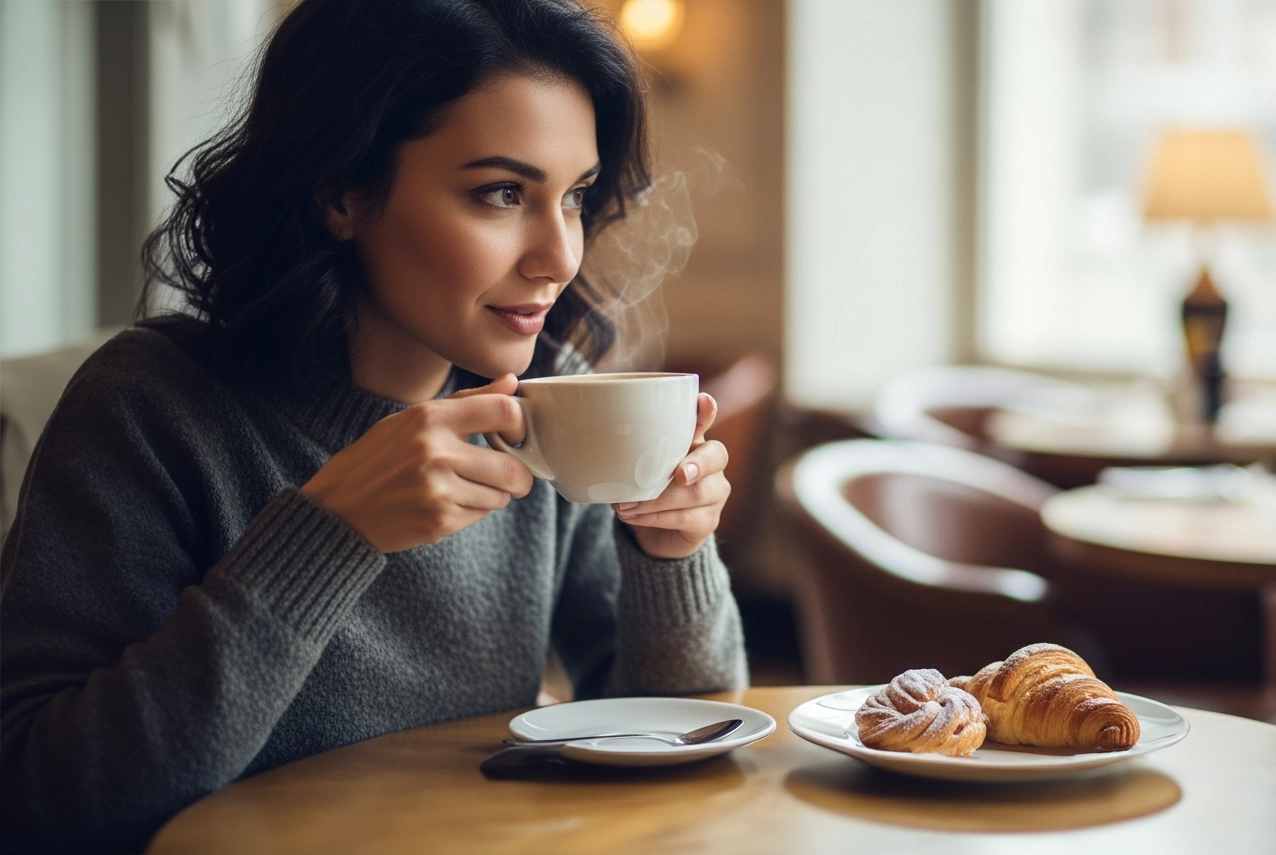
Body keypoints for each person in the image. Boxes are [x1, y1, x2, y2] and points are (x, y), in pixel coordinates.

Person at [0, 1, 746, 850]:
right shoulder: (150, 406)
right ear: (342, 192)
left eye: (573, 197)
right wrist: (328, 536)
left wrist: (670, 556)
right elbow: (45, 801)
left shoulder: (548, 405)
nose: (560, 256)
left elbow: (679, 731)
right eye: (501, 193)